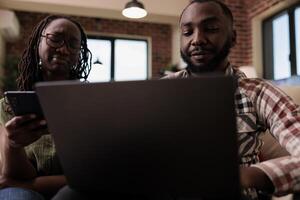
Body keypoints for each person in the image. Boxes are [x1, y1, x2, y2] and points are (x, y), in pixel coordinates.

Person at [163, 0, 300, 199]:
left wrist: (244, 176)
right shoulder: (164, 91)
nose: (197, 39)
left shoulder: (258, 92)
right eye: (187, 32)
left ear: (233, 38)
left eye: (210, 29)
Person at [0, 15, 92, 200]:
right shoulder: (8, 106)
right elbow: (10, 177)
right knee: (17, 196)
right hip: (23, 193)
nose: (64, 49)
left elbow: (91, 177)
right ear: (37, 44)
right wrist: (13, 145)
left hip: (76, 192)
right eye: (55, 39)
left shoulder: (90, 104)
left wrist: (22, 184)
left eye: (73, 44)